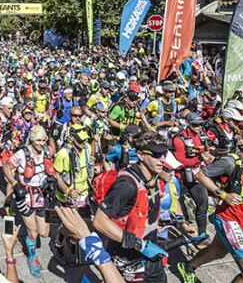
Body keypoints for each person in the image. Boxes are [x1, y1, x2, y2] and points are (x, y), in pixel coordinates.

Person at [178, 126, 243, 283]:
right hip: (230, 220)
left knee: (217, 251)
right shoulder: (232, 161)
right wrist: (223, 195)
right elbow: (201, 175)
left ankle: (188, 267)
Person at [93, 131, 171, 282]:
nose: (162, 159)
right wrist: (139, 244)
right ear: (140, 155)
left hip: (151, 255)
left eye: (164, 154)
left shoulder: (153, 177)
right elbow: (99, 221)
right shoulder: (127, 184)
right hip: (128, 258)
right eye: (156, 154)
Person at [3, 125, 55, 277]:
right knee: (33, 232)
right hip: (25, 195)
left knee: (44, 233)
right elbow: (6, 167)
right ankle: (32, 258)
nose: (42, 143)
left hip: (41, 195)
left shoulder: (48, 151)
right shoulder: (21, 154)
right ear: (31, 140)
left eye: (44, 140)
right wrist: (15, 184)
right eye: (38, 140)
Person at [52, 124, 94, 265]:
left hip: (83, 193)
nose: (84, 142)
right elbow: (55, 174)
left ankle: (72, 241)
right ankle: (58, 245)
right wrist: (68, 191)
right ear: (71, 137)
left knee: (86, 223)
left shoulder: (86, 149)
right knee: (68, 225)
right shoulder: (63, 154)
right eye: (80, 140)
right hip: (68, 196)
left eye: (85, 139)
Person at [172, 111, 211, 239]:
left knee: (203, 205)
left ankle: (202, 234)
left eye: (200, 124)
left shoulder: (200, 136)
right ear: (188, 124)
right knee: (177, 204)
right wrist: (199, 160)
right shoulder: (179, 139)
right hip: (181, 176)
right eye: (195, 125)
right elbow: (181, 161)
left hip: (196, 176)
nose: (199, 127)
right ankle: (182, 228)